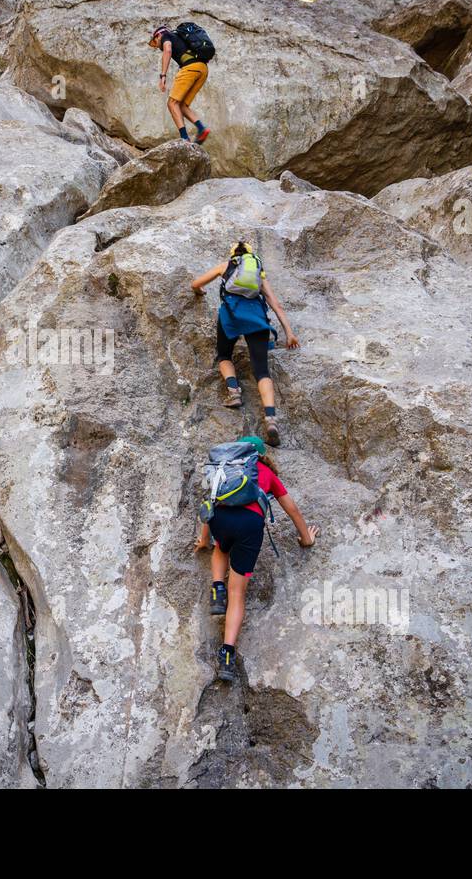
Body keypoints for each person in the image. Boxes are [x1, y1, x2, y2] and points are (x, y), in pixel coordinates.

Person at [193, 436, 318, 682]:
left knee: (221, 547)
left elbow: (211, 504)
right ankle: (227, 656)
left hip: (220, 520)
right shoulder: (265, 473)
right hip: (249, 526)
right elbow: (291, 508)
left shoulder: (226, 470)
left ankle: (217, 589)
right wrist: (306, 538)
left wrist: (203, 539)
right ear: (260, 454)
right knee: (237, 593)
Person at [191, 241, 298, 446]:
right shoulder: (259, 273)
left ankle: (233, 391)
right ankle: (270, 419)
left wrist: (200, 292)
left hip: (231, 315)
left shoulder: (227, 266)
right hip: (256, 318)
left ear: (234, 255)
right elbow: (276, 305)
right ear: (252, 258)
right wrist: (289, 333)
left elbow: (196, 284)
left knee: (224, 355)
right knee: (262, 371)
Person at [149, 24, 210, 144]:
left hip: (190, 68)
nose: (157, 45)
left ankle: (184, 139)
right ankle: (202, 129)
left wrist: (163, 75)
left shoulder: (166, 36)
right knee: (181, 105)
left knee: (172, 103)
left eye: (155, 41)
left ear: (158, 35)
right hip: (203, 69)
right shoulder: (181, 37)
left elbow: (168, 49)